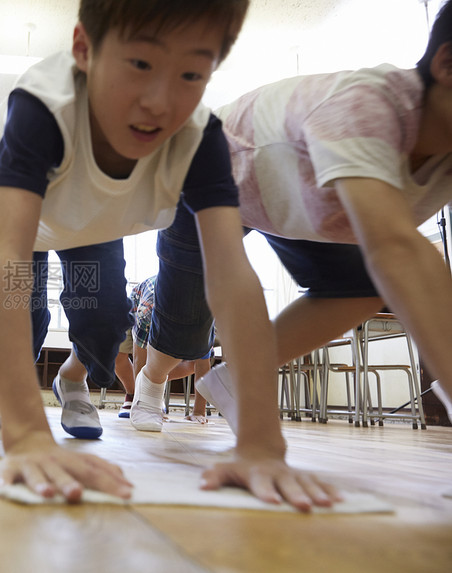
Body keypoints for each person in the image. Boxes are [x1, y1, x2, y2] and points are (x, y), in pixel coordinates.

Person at [0, 0, 334, 510]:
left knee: (104, 319)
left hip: (90, 219)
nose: (160, 102)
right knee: (24, 305)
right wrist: (28, 437)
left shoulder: (198, 138)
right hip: (7, 202)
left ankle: (70, 378)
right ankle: (7, 387)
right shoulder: (43, 111)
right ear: (84, 50)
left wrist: (261, 444)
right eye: (140, 65)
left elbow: (230, 277)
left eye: (191, 73)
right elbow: (6, 257)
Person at [192, 1, 452, 453]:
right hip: (209, 166)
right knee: (179, 331)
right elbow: (398, 248)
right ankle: (151, 382)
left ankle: (234, 378)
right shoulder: (369, 106)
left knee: (364, 285)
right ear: (448, 65)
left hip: (301, 207)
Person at [126, 276, 210, 423]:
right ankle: (140, 398)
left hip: (188, 302)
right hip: (142, 299)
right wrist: (146, 405)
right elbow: (140, 359)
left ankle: (157, 381)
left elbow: (202, 364)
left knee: (192, 363)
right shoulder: (147, 313)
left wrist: (199, 411)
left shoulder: (202, 318)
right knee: (129, 358)